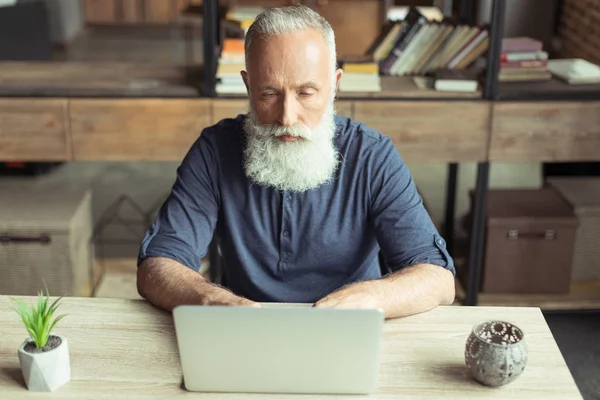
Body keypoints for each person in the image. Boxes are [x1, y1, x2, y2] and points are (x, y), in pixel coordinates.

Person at [136, 5, 455, 319]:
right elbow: (157, 264)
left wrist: (370, 299)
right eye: (269, 94)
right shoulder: (214, 150)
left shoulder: (372, 156)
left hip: (352, 328)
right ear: (248, 87)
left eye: (306, 93)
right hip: (247, 327)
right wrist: (214, 301)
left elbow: (438, 278)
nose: (287, 117)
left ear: (334, 85)